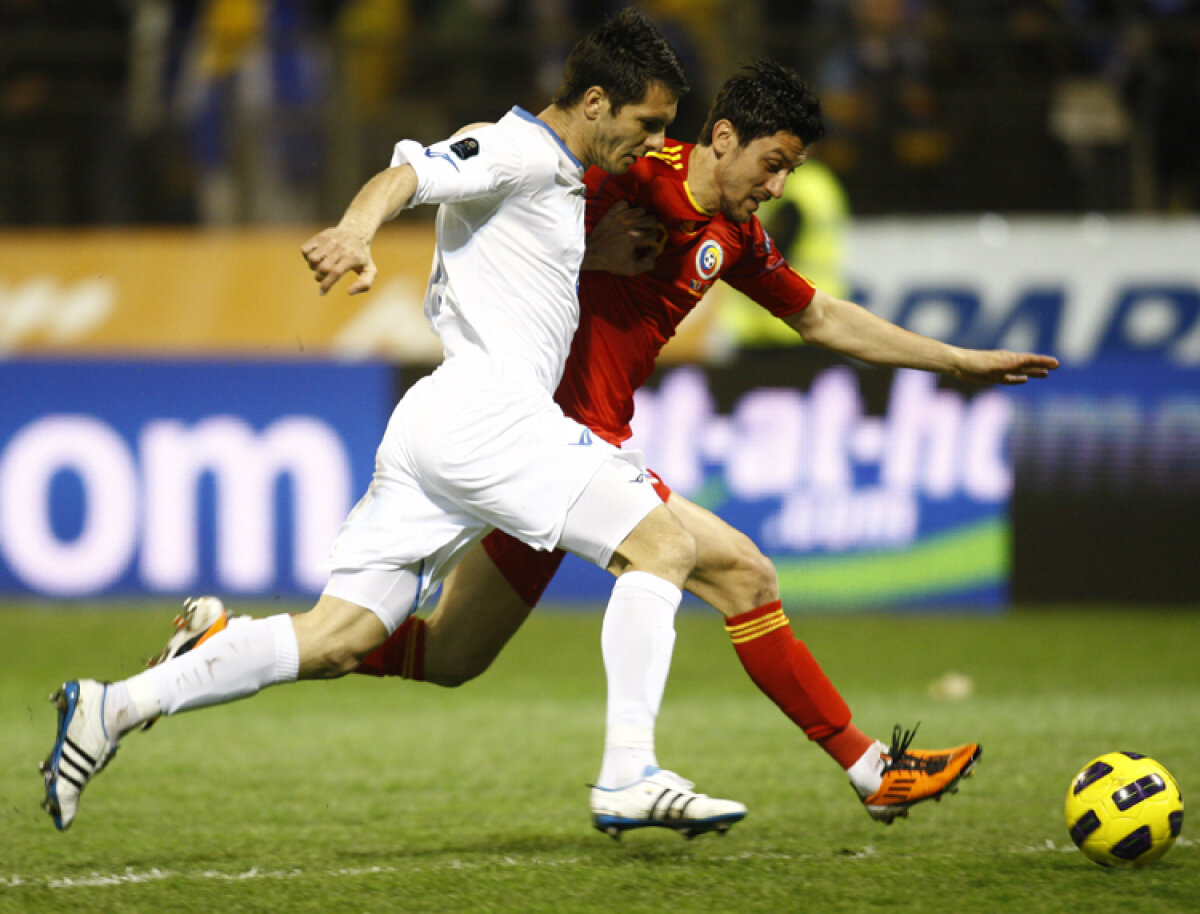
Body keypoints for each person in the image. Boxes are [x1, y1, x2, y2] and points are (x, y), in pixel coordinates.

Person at [154, 60, 1059, 834]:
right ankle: (850, 770)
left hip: (569, 453)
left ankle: (228, 642)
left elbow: (819, 314)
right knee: (740, 573)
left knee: (451, 657)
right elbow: (509, 225)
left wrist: (956, 360)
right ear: (724, 137)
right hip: (543, 441)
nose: (777, 187)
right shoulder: (626, 173)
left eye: (790, 171)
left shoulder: (735, 236)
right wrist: (582, 250)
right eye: (773, 164)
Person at [39, 9, 749, 839]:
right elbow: (410, 175)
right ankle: (629, 772)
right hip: (493, 418)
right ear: (595, 102)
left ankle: (111, 707)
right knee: (662, 544)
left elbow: (502, 256)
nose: (657, 141)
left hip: (442, 423)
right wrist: (354, 230)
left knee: (338, 637)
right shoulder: (515, 148)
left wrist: (589, 257)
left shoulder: (556, 180)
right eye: (648, 124)